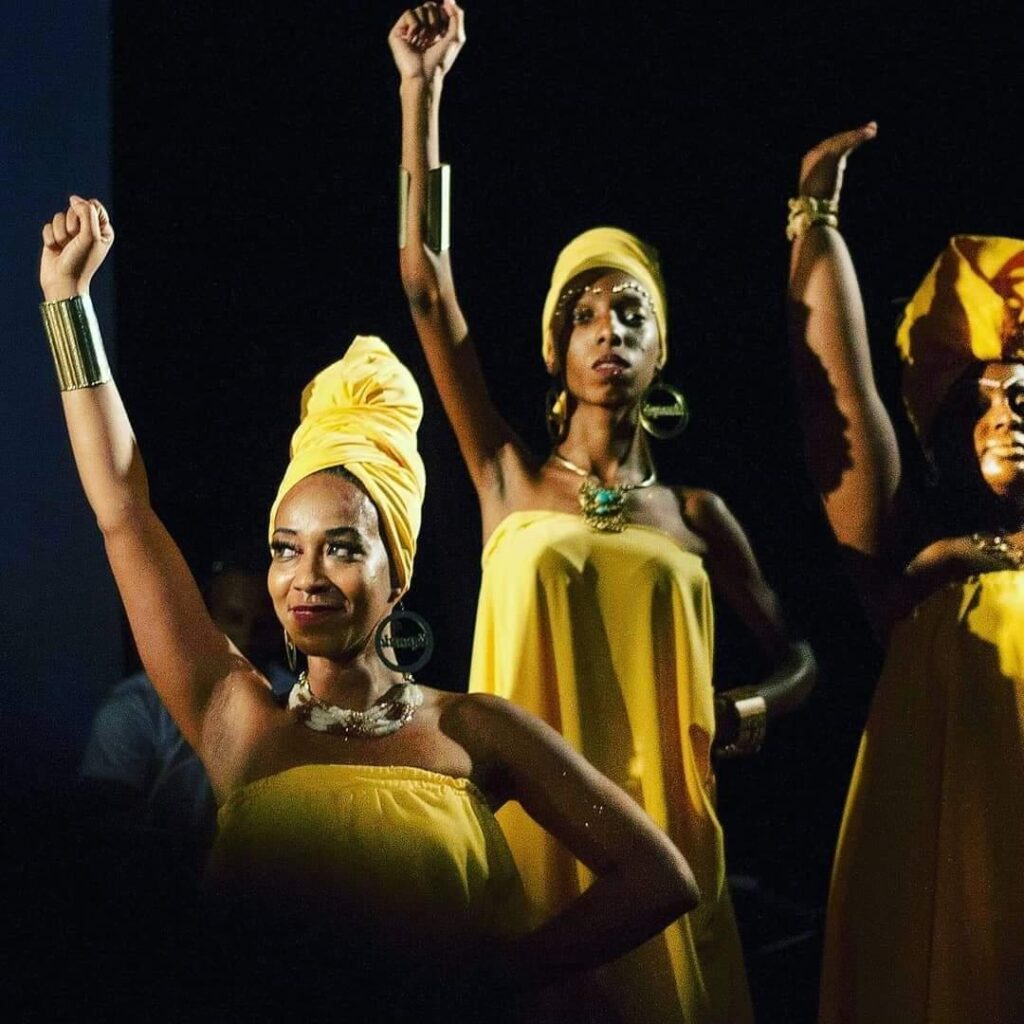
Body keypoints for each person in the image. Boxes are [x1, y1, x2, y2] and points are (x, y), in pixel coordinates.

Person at [38, 193, 701, 1020]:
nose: (305, 575)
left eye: (343, 547)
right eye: (286, 548)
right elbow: (123, 510)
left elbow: (661, 878)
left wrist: (503, 975)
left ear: (400, 575)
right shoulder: (235, 720)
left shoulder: (473, 730)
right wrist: (67, 304)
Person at [390, 5, 817, 1022]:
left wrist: (756, 706)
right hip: (530, 837)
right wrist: (422, 90)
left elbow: (803, 651)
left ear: (658, 348)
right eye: (581, 315)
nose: (607, 331)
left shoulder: (697, 512)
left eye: (630, 314)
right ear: (552, 347)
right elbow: (423, 282)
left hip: (666, 840)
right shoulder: (505, 473)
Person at [787, 124, 1024, 1023]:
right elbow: (836, 397)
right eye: (981, 399)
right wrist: (816, 217)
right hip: (945, 895)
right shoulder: (909, 564)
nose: (1005, 414)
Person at [79, 557, 293, 868]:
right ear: (206, 619)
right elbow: (105, 828)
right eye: (233, 618)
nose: (246, 638)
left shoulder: (296, 700)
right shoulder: (136, 708)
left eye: (263, 625)